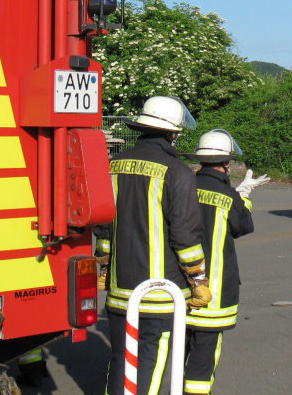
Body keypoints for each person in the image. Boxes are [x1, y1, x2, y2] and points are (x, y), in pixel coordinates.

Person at [94, 96, 212, 394]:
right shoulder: (178, 171)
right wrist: (198, 281)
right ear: (173, 133)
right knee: (151, 365)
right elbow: (185, 237)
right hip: (159, 296)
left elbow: (103, 225)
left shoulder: (114, 165)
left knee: (121, 362)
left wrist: (104, 265)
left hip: (120, 292)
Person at [183, 129, 269, 394]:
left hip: (183, 287)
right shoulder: (228, 196)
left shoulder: (184, 186)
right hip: (215, 294)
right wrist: (243, 196)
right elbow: (242, 225)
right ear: (226, 164)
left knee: (178, 352)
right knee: (203, 360)